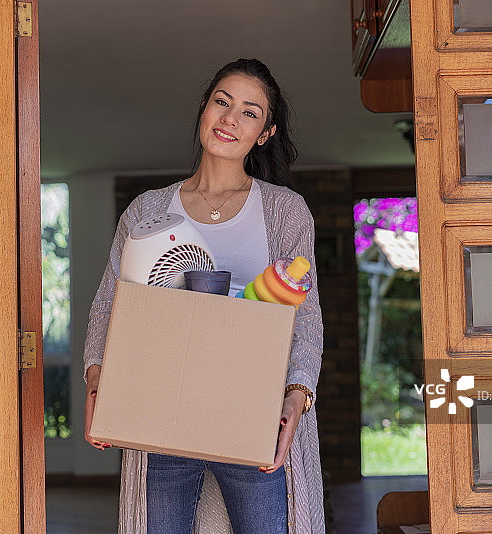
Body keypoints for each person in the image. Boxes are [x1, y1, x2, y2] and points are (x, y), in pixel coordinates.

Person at [83, 58, 324, 534]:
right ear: (203, 108)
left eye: (249, 112)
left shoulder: (284, 211)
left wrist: (296, 399)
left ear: (265, 133)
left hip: (255, 418)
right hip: (159, 421)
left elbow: (306, 319)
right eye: (222, 102)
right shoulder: (148, 210)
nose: (230, 118)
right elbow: (109, 304)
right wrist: (97, 383)